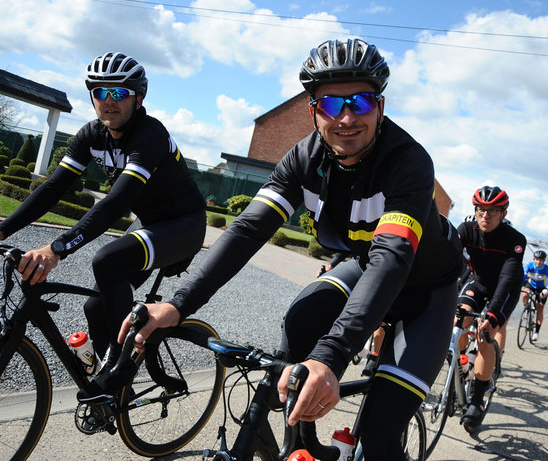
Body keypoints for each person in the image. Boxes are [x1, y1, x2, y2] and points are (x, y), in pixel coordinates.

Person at [119, 38, 463, 460]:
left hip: (426, 290)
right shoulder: (302, 159)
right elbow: (248, 230)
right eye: (332, 105)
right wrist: (177, 304)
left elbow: (391, 258)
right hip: (363, 265)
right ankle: (302, 446)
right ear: (313, 110)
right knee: (300, 323)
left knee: (381, 432)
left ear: (382, 107)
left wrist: (331, 357)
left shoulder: (408, 162)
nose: (348, 118)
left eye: (362, 102)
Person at [0, 52, 206, 398]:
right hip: (150, 224)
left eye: (119, 94)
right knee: (96, 306)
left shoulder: (150, 134)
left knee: (108, 259)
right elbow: (52, 188)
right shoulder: (91, 134)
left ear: (138, 98)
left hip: (183, 225)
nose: (109, 102)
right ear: (91, 95)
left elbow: (117, 202)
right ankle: (111, 376)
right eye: (100, 92)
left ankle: (124, 366)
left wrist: (57, 248)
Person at [455, 186, 526, 431]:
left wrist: (493, 313)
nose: (485, 215)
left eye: (492, 211)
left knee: (485, 336)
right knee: (457, 320)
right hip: (480, 282)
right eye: (480, 210)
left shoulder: (515, 240)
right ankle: (463, 363)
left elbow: (507, 278)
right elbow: (450, 260)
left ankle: (476, 400)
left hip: (505, 289)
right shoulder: (465, 230)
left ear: (503, 214)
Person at [521, 250, 548, 342]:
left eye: (541, 260)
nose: (538, 262)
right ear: (534, 259)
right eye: (537, 259)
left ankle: (536, 332)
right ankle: (527, 308)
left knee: (540, 309)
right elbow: (524, 274)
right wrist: (520, 282)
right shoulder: (530, 265)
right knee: (524, 293)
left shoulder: (547, 269)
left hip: (542, 289)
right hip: (531, 285)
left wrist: (547, 289)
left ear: (544, 261)